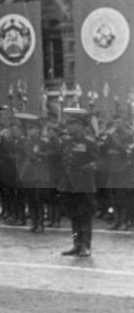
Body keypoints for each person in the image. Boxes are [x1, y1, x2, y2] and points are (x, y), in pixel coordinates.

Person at [58, 109, 102, 257]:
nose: (68, 128)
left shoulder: (89, 142)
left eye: (72, 125)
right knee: (73, 216)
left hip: (84, 185)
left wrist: (89, 167)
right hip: (69, 185)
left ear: (80, 126)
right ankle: (76, 244)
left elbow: (98, 161)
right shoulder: (66, 142)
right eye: (68, 125)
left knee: (85, 216)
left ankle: (85, 245)